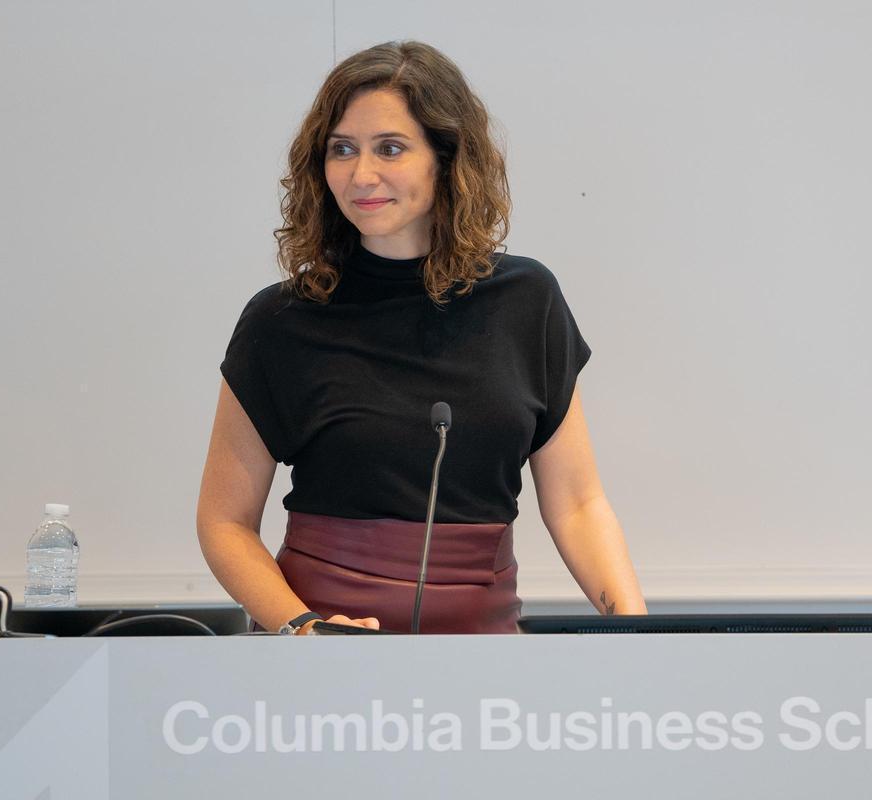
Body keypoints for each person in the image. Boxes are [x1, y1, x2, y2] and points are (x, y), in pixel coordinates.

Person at [195, 40, 647, 635]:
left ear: (447, 157)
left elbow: (579, 505)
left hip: (485, 665)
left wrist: (641, 638)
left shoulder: (527, 300)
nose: (361, 174)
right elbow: (224, 521)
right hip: (318, 661)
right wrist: (303, 628)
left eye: (390, 148)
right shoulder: (281, 320)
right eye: (342, 150)